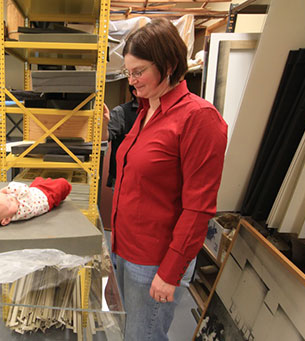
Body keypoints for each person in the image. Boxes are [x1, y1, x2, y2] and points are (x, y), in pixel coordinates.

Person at [110, 18, 227, 340]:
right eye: (128, 72)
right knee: (128, 331)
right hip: (125, 248)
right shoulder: (147, 110)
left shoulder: (198, 118)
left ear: (170, 65)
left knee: (143, 336)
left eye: (139, 72)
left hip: (154, 260)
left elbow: (199, 208)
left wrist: (170, 272)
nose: (131, 81)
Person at [0, 176, 72, 226]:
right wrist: (7, 189)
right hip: (47, 196)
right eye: (10, 201)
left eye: (6, 196)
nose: (11, 197)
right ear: (6, 220)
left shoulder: (6, 206)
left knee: (39, 179)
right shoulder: (22, 211)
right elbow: (23, 189)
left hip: (34, 191)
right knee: (62, 183)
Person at [103, 85, 139, 188]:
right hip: (123, 175)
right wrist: (104, 123)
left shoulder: (157, 111)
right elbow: (105, 137)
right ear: (135, 93)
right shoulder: (121, 112)